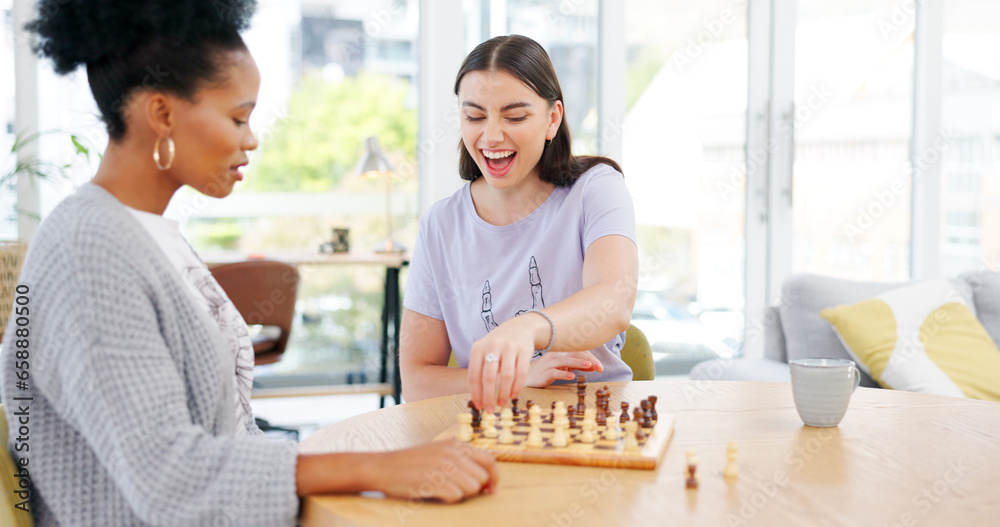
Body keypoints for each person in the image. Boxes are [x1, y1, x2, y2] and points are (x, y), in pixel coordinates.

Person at [0, 2, 495, 525]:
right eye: (238, 117)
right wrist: (377, 469)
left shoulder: (146, 232)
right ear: (162, 113)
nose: (252, 138)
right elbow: (168, 476)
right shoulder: (90, 250)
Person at [400, 35, 639, 413]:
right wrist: (518, 376)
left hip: (592, 420)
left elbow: (614, 301)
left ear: (552, 119)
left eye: (515, 117)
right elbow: (417, 382)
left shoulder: (596, 188)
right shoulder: (440, 224)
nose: (491, 135)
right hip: (490, 428)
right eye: (474, 116)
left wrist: (527, 328)